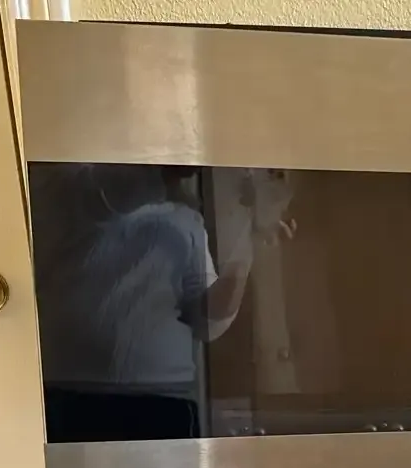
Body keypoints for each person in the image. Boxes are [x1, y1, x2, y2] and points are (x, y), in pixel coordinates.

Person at [31, 163, 261, 442]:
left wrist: (250, 242)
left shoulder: (186, 218)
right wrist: (176, 161)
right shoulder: (67, 180)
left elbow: (207, 321)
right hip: (72, 395)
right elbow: (112, 193)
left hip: (164, 399)